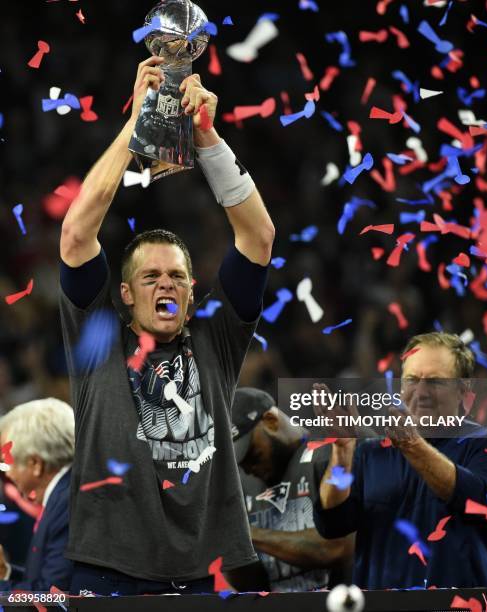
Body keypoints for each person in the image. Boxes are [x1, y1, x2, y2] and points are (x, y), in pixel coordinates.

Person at [59, 57, 274, 596]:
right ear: (125, 295)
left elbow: (258, 239)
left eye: (177, 277)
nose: (166, 286)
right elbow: (77, 236)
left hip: (207, 571)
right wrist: (138, 127)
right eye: (150, 277)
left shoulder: (214, 339)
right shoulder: (99, 337)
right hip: (109, 568)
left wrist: (207, 139)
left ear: (192, 291)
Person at [313, 332, 487, 589]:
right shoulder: (369, 453)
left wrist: (414, 447)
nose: (421, 392)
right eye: (412, 379)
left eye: (435, 381)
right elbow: (331, 524)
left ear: (463, 391)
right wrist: (342, 452)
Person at [233, 387, 354, 592]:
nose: (246, 467)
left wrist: (246, 534)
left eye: (251, 453)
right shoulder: (244, 486)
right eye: (239, 461)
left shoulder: (332, 454)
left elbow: (338, 547)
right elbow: (251, 587)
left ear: (271, 421)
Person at [0, 398, 74, 591]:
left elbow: (52, 596)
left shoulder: (68, 503)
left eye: (8, 461)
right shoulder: (63, 495)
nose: (7, 473)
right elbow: (45, 581)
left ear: (35, 464)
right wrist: (5, 573)